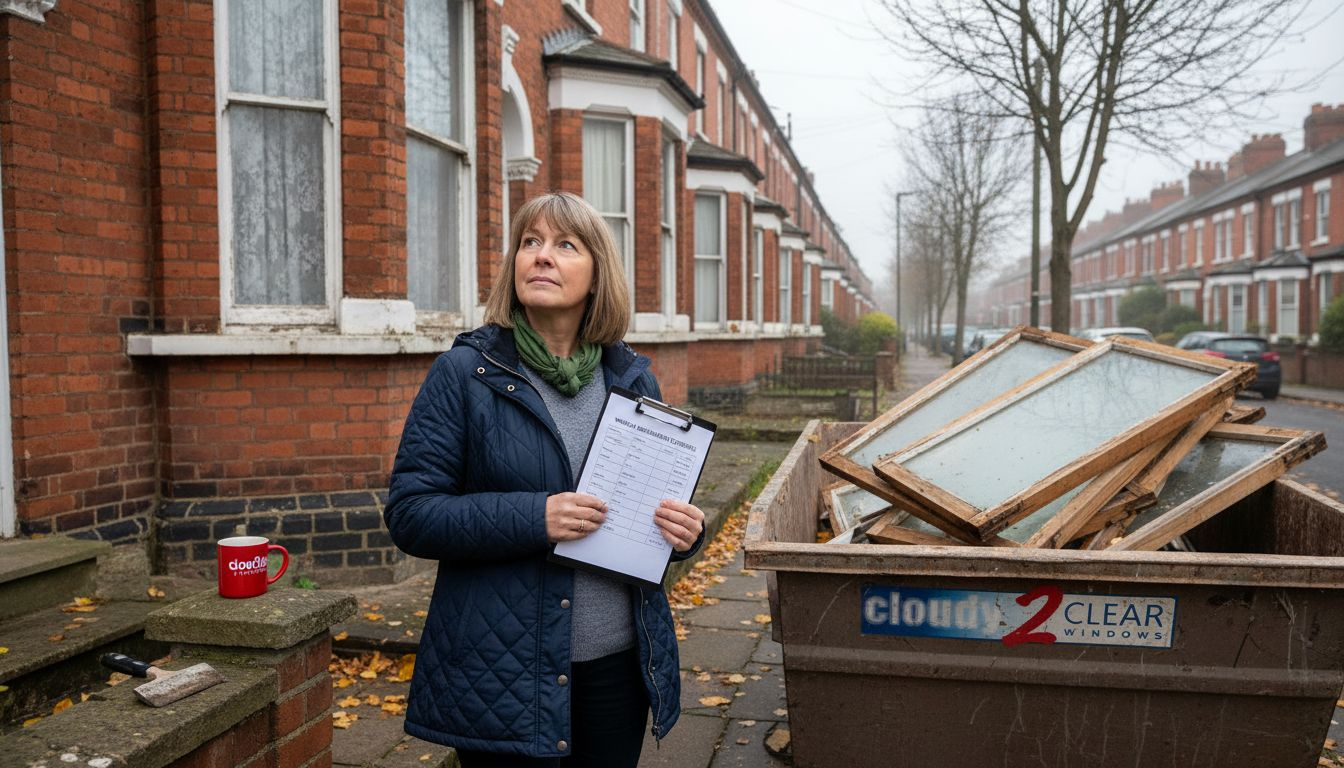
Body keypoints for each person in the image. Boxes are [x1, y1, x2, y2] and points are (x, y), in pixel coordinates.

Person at [384, 191, 706, 767]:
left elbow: (650, 512)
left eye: (564, 245)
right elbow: (412, 513)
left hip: (618, 666)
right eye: (529, 242)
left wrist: (685, 532)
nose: (541, 256)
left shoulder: (630, 380)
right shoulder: (464, 373)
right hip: (503, 671)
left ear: (597, 272)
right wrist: (536, 517)